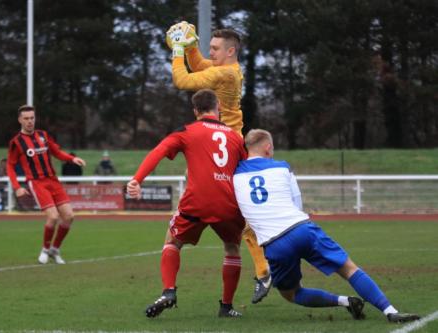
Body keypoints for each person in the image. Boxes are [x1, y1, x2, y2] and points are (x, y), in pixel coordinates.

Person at [232, 129, 420, 323]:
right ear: (268, 147)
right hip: (301, 229)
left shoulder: (236, 175)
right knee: (349, 269)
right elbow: (297, 203)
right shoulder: (282, 168)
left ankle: (343, 301)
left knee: (291, 294)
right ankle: (390, 311)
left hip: (275, 244)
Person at [166, 22, 271, 303]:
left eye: (214, 48)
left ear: (231, 51)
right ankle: (264, 270)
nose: (209, 52)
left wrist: (178, 50)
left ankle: (265, 270)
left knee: (242, 216)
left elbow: (183, 81)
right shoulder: (228, 70)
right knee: (241, 215)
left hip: (226, 149)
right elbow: (199, 65)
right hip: (224, 145)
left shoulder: (225, 73)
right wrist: (189, 49)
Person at [127, 89, 247, 318]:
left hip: (197, 202)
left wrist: (137, 179)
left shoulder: (187, 131)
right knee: (232, 248)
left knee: (172, 241)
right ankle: (226, 307)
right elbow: (246, 169)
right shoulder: (234, 137)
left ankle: (169, 291)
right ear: (218, 107)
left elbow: (158, 151)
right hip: (229, 204)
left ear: (195, 111)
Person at [6, 105, 86, 265]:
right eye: (26, 118)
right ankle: (45, 249)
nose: (30, 121)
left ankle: (54, 250)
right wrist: (17, 187)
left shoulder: (43, 135)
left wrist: (71, 159)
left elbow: (56, 152)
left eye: (32, 118)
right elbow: (10, 165)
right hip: (37, 183)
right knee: (53, 216)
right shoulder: (16, 142)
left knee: (69, 217)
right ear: (20, 120)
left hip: (53, 181)